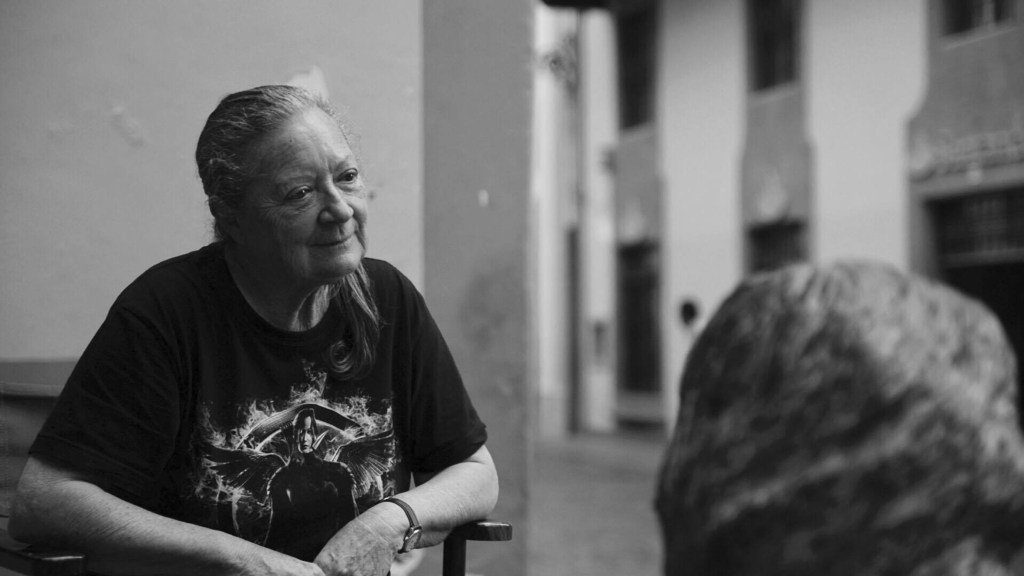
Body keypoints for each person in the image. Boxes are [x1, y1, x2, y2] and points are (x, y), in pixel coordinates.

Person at [9, 85, 499, 576]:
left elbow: (474, 472)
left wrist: (390, 522)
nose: (341, 209)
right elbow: (44, 502)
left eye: (347, 177)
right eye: (300, 194)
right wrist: (245, 562)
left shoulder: (387, 298)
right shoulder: (165, 313)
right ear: (231, 217)